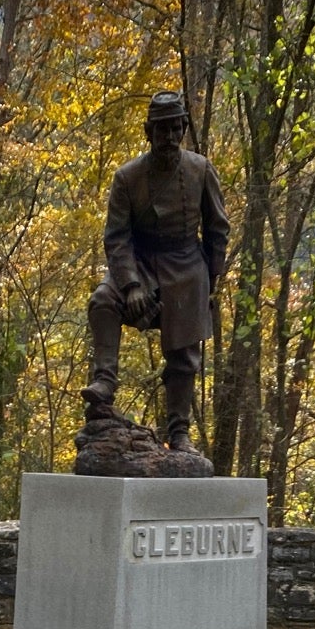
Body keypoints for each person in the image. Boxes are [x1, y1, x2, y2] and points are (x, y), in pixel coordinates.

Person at [84, 91, 231, 452]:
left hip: (186, 267)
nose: (169, 138)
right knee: (103, 301)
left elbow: (218, 227)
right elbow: (116, 238)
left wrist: (210, 281)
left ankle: (178, 432)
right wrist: (131, 284)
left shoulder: (200, 170)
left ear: (183, 129)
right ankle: (104, 383)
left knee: (184, 356)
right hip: (141, 261)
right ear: (147, 132)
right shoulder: (127, 177)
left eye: (175, 129)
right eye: (161, 130)